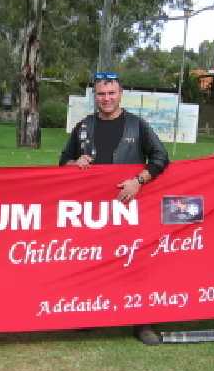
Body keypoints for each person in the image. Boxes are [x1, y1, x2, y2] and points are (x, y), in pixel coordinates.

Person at [59, 72, 170, 345]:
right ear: (94, 96)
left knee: (135, 263)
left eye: (111, 93)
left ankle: (142, 323)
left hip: (128, 208)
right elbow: (63, 161)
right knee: (94, 261)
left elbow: (161, 157)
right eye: (101, 94)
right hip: (94, 211)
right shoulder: (84, 126)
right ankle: (93, 313)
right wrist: (74, 164)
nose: (106, 98)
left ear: (120, 94)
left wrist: (138, 181)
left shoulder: (137, 125)